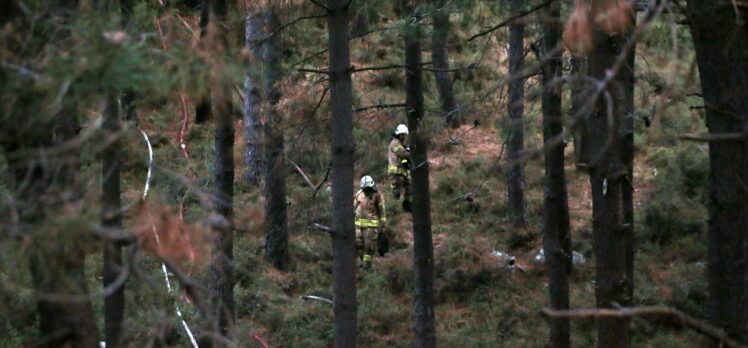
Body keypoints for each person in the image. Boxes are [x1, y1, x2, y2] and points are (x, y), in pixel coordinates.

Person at [354, 175, 386, 269]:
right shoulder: (359, 193)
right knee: (358, 243)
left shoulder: (377, 195)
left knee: (369, 247)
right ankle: (362, 262)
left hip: (371, 227)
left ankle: (367, 267)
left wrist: (383, 225)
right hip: (358, 225)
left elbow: (382, 210)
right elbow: (354, 206)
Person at [388, 124, 412, 212]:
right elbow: (403, 154)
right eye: (404, 135)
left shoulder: (401, 144)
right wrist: (411, 151)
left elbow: (403, 159)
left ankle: (407, 207)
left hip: (402, 172)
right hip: (395, 173)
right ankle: (392, 210)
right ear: (400, 134)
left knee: (409, 189)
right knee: (396, 192)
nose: (405, 137)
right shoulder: (395, 143)